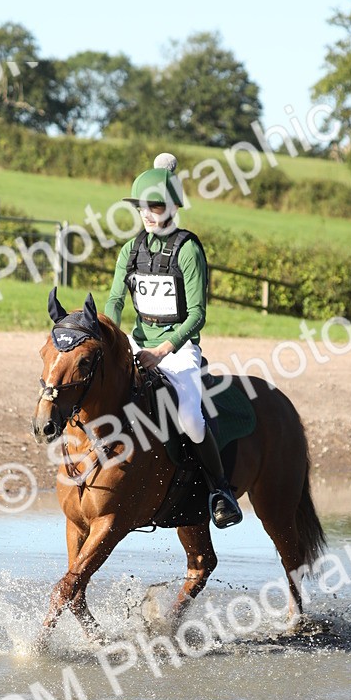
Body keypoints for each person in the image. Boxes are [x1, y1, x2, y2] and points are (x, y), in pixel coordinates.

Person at [104, 153, 243, 529]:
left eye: (155, 206)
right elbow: (115, 300)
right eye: (143, 207)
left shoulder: (188, 249)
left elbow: (197, 315)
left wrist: (162, 350)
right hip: (138, 342)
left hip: (178, 350)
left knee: (191, 419)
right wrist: (112, 337)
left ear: (171, 207)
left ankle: (220, 491)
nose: (148, 214)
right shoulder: (131, 250)